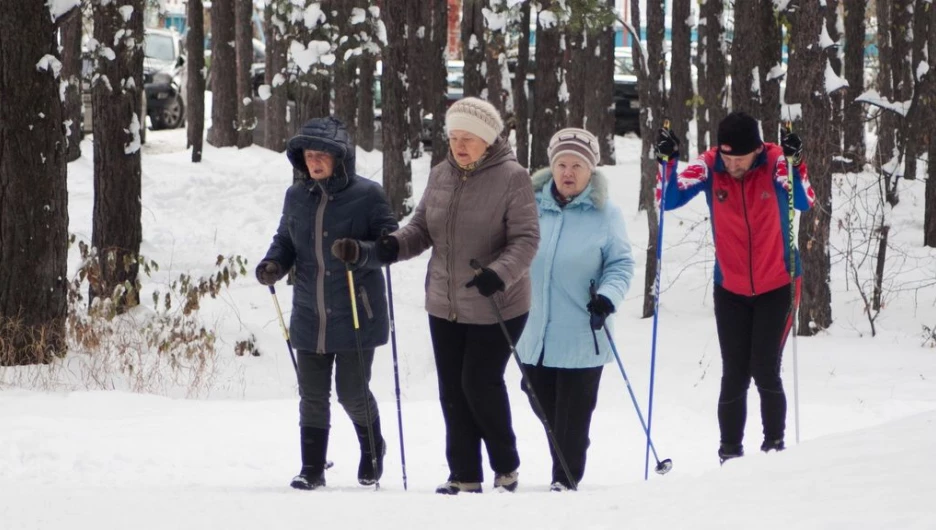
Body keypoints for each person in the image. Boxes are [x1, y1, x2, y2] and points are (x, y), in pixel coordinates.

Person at [373, 97, 539, 494]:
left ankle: (505, 465)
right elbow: (422, 228)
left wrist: (498, 274)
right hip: (444, 302)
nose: (460, 145)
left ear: (488, 140)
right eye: (453, 137)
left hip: (498, 302)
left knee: (479, 383)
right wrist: (394, 246)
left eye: (469, 138)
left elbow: (526, 238)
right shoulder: (440, 174)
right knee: (452, 389)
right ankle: (464, 474)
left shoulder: (513, 177)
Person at [655, 111, 814, 463]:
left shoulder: (774, 161)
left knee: (763, 366)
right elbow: (668, 200)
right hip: (730, 286)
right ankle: (729, 454)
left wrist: (795, 163)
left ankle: (774, 448)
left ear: (756, 149)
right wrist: (669, 162)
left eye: (739, 158)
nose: (732, 164)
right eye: (727, 157)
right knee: (735, 371)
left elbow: (804, 201)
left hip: (779, 282)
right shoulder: (711, 165)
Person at [256, 116, 398, 490]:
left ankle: (372, 449)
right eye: (308, 155)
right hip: (309, 310)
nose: (314, 162)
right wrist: (273, 263)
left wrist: (360, 252)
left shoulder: (368, 195)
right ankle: (312, 468)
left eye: (322, 155)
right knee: (312, 395)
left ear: (340, 158)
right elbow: (285, 240)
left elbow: (390, 246)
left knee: (352, 391)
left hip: (355, 310)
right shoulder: (296, 196)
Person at [515, 128, 635, 492]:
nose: (568, 173)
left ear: (590, 170)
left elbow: (621, 264)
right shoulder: (529, 207)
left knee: (573, 415)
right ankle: (570, 448)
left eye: (577, 166)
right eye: (562, 164)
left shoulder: (605, 213)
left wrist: (608, 297)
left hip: (584, 330)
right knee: (539, 399)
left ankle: (564, 479)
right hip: (534, 330)